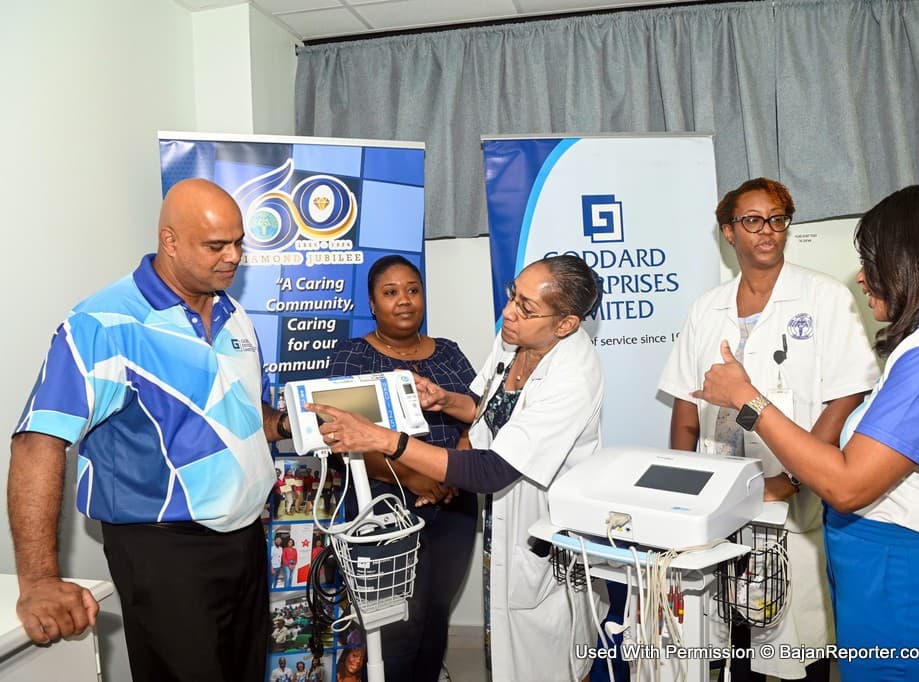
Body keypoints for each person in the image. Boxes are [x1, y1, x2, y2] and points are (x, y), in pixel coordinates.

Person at [695, 184, 919, 681]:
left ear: (912, 261)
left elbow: (848, 485)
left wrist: (747, 399)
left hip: (905, 597)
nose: (862, 277)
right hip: (886, 586)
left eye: (870, 260)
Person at [8, 178, 292, 681]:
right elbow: (38, 442)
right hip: (165, 552)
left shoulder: (234, 315)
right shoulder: (103, 323)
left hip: (246, 542)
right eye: (216, 245)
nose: (233, 257)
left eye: (238, 243)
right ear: (170, 241)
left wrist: (291, 424)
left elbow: (245, 415)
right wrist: (39, 580)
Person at [312, 254, 605, 682]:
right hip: (477, 516)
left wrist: (388, 441)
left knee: (550, 650)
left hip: (541, 521)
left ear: (565, 324)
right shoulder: (515, 338)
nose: (508, 312)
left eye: (525, 307)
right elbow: (487, 408)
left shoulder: (573, 376)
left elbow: (492, 470)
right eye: (512, 296)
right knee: (421, 632)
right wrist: (445, 400)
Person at [659, 177, 878, 681]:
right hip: (718, 493)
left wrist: (795, 478)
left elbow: (848, 395)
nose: (767, 230)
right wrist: (683, 486)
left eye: (777, 219)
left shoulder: (823, 296)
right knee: (731, 633)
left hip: (793, 496)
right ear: (728, 232)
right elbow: (686, 405)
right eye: (753, 220)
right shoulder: (706, 308)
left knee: (800, 633)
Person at [325, 254, 478, 682]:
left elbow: (480, 411)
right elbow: (340, 437)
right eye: (390, 292)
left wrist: (456, 465)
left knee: (434, 615)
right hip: (383, 506)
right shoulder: (353, 357)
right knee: (396, 625)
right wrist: (412, 476)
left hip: (454, 502)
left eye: (413, 290)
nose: (405, 300)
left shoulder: (449, 353)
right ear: (372, 304)